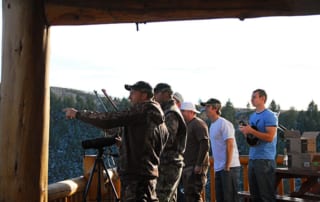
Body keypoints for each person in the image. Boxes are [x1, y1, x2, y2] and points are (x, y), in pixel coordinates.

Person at [64, 81, 169, 202]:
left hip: (135, 178)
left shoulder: (141, 111)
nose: (129, 97)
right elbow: (149, 147)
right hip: (148, 176)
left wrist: (78, 114)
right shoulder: (160, 122)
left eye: (133, 93)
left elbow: (108, 119)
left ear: (144, 95)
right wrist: (125, 145)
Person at [239, 89, 278, 202]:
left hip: (265, 159)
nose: (252, 99)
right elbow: (253, 141)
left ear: (263, 98)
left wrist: (251, 130)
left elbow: (270, 137)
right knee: (255, 196)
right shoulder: (253, 116)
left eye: (254, 97)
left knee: (266, 196)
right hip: (253, 158)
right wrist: (246, 133)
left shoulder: (270, 115)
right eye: (251, 97)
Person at [200, 98, 240, 202]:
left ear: (215, 108)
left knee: (230, 198)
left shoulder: (224, 123)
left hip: (229, 167)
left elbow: (230, 144)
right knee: (221, 198)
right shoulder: (213, 125)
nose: (205, 109)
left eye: (208, 106)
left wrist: (227, 166)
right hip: (219, 168)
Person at [154, 83, 187, 202]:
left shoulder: (171, 113)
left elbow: (168, 139)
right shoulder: (166, 111)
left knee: (162, 198)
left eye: (156, 94)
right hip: (167, 163)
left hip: (169, 164)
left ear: (165, 94)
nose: (154, 97)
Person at [180, 102, 210, 202]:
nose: (181, 113)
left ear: (191, 112)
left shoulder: (198, 124)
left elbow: (205, 144)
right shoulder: (188, 125)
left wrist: (199, 164)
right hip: (188, 166)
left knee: (194, 196)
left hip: (195, 168)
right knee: (189, 196)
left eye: (183, 111)